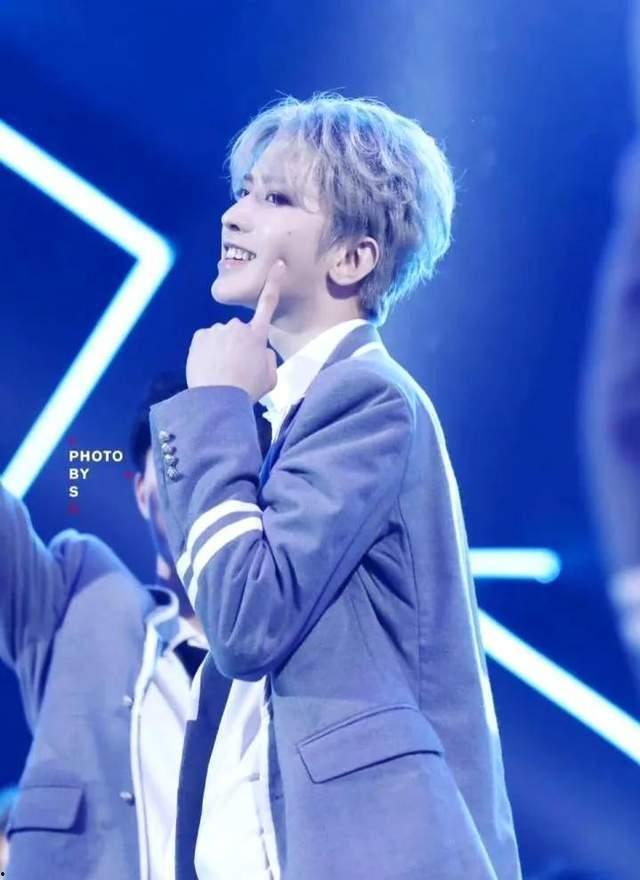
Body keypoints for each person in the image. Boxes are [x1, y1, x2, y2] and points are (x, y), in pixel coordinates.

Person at [150, 94, 522, 879]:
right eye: (243, 191)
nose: (235, 215)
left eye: (276, 198)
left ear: (351, 259)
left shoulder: (366, 397)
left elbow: (244, 620)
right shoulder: (289, 416)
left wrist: (214, 407)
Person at [0, 374, 219, 880]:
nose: (197, 481)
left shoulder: (292, 647)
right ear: (141, 492)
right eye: (176, 457)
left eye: (217, 455)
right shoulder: (78, 596)